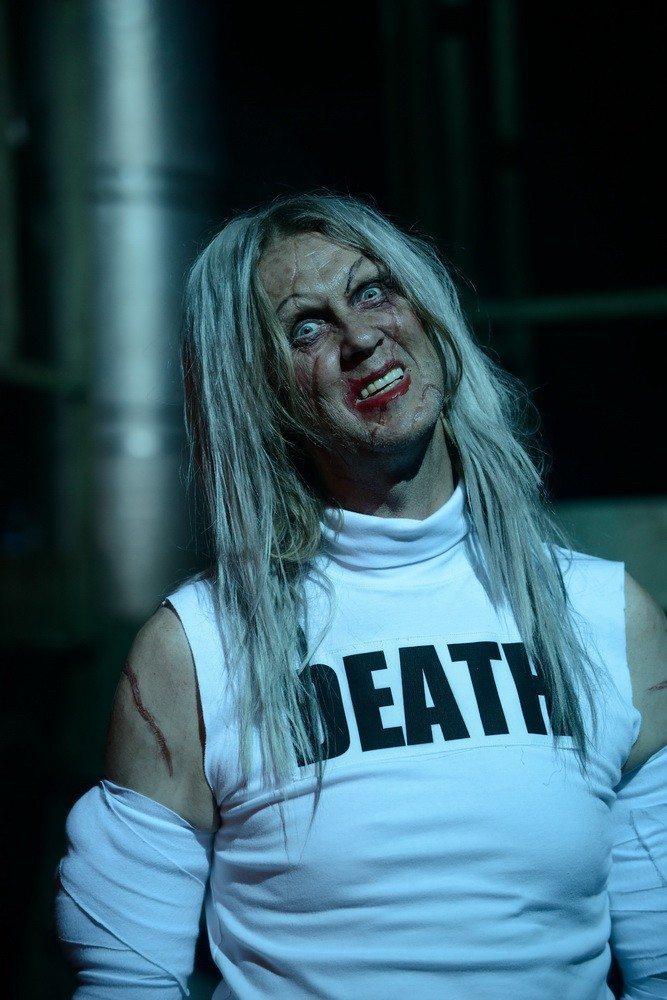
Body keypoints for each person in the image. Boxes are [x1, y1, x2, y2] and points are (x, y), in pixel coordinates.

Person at [56, 192, 667, 999]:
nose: (360, 338)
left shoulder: (604, 615)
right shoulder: (197, 648)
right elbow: (126, 982)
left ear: (427, 313)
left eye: (373, 291)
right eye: (305, 329)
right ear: (260, 391)